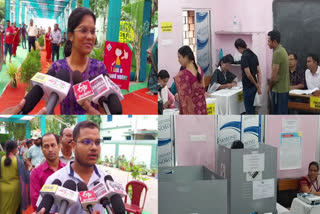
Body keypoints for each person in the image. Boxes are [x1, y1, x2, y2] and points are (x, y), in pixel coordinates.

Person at [35, 120, 111, 214]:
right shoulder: (55, 180)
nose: (94, 147)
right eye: (87, 142)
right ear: (74, 146)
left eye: (97, 142)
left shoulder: (106, 180)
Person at [47, 7, 110, 115]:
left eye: (93, 31)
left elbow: (104, 109)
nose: (90, 37)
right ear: (70, 35)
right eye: (83, 30)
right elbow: (49, 108)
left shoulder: (100, 69)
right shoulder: (57, 69)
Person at [30, 133, 66, 210]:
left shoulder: (67, 170)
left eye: (53, 145)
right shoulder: (35, 173)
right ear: (42, 150)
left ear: (59, 146)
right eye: (46, 146)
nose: (50, 149)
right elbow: (36, 203)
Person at [0, 140, 31, 213]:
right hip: (15, 190)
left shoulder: (1, 159)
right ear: (14, 149)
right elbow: (25, 176)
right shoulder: (18, 161)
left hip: (2, 189)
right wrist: (29, 170)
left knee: (3, 209)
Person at [175, 45, 207, 114]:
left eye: (179, 57)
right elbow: (203, 88)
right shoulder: (200, 69)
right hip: (202, 106)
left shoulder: (183, 75)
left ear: (186, 57)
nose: (178, 60)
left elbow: (185, 100)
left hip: (192, 110)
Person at [235, 38, 262, 114]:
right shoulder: (254, 55)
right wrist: (258, 85)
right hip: (254, 87)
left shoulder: (244, 57)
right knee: (253, 109)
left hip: (248, 87)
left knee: (249, 110)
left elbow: (248, 75)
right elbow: (259, 72)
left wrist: (256, 85)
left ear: (239, 47)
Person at [267, 30, 290, 114]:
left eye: (269, 41)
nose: (267, 43)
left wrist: (269, 87)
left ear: (275, 41)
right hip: (284, 89)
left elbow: (274, 77)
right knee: (282, 114)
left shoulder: (277, 53)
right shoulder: (282, 50)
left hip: (278, 90)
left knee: (278, 116)